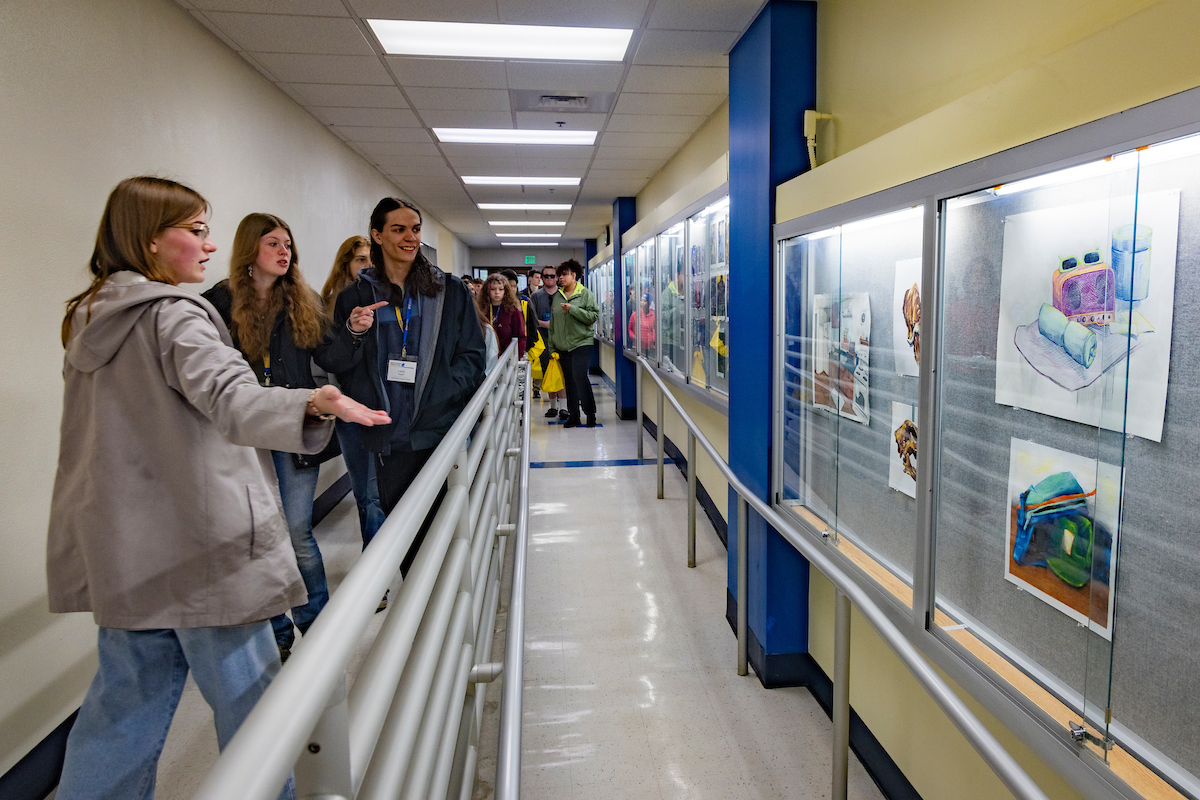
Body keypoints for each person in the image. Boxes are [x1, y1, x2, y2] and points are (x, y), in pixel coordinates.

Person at [49, 176, 389, 800]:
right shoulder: (175, 317)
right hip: (200, 553)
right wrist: (315, 401)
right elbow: (233, 400)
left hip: (130, 554)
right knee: (254, 708)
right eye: (196, 231)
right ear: (152, 241)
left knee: (121, 715)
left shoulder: (92, 317)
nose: (208, 247)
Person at [315, 197, 485, 575]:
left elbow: (473, 358)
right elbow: (337, 363)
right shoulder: (355, 298)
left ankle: (450, 617)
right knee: (406, 540)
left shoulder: (449, 292)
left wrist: (440, 396)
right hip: (389, 439)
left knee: (442, 534)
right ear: (376, 235)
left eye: (415, 229)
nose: (410, 238)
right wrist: (353, 333)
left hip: (437, 433)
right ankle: (421, 622)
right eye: (399, 229)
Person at [203, 214, 335, 660]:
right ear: (249, 250)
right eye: (274, 244)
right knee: (261, 535)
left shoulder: (302, 299)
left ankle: (317, 624)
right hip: (244, 438)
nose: (285, 252)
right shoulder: (217, 304)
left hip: (294, 430)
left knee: (296, 532)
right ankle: (277, 631)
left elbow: (331, 351)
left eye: (288, 245)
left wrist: (354, 330)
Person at [319, 236, 387, 557]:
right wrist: (353, 330)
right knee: (368, 493)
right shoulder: (332, 303)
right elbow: (331, 360)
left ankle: (382, 562)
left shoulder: (387, 298)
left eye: (371, 259)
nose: (368, 266)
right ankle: (376, 571)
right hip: (349, 407)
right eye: (360, 259)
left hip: (384, 404)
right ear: (346, 263)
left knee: (380, 491)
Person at [549, 259, 600, 428]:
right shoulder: (557, 296)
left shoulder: (585, 294)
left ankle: (590, 413)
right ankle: (574, 415)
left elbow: (593, 316)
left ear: (574, 275)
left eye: (564, 275)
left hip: (582, 342)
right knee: (569, 380)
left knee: (579, 375)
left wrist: (573, 309)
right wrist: (552, 346)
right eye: (559, 275)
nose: (560, 278)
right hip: (562, 345)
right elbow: (553, 323)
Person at [529, 265, 563, 414]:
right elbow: (532, 319)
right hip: (543, 340)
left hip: (563, 340)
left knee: (563, 373)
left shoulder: (563, 294)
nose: (549, 278)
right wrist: (546, 324)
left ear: (557, 277)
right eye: (546, 276)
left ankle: (564, 407)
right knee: (549, 373)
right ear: (542, 278)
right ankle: (553, 406)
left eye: (552, 276)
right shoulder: (536, 296)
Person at [479, 272, 526, 357]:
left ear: (506, 291)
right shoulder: (481, 311)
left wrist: (517, 357)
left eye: (500, 289)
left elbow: (520, 337)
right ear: (487, 291)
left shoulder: (513, 312)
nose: (497, 292)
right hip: (485, 357)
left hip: (506, 358)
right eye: (493, 289)